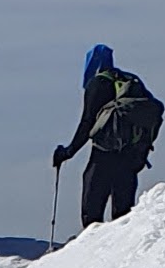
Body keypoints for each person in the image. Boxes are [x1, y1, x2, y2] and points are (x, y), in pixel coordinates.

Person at [51, 44, 157, 226]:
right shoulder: (131, 81)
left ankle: (92, 241)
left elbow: (87, 123)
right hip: (132, 155)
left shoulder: (98, 83)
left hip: (104, 153)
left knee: (92, 206)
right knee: (124, 213)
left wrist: (68, 152)